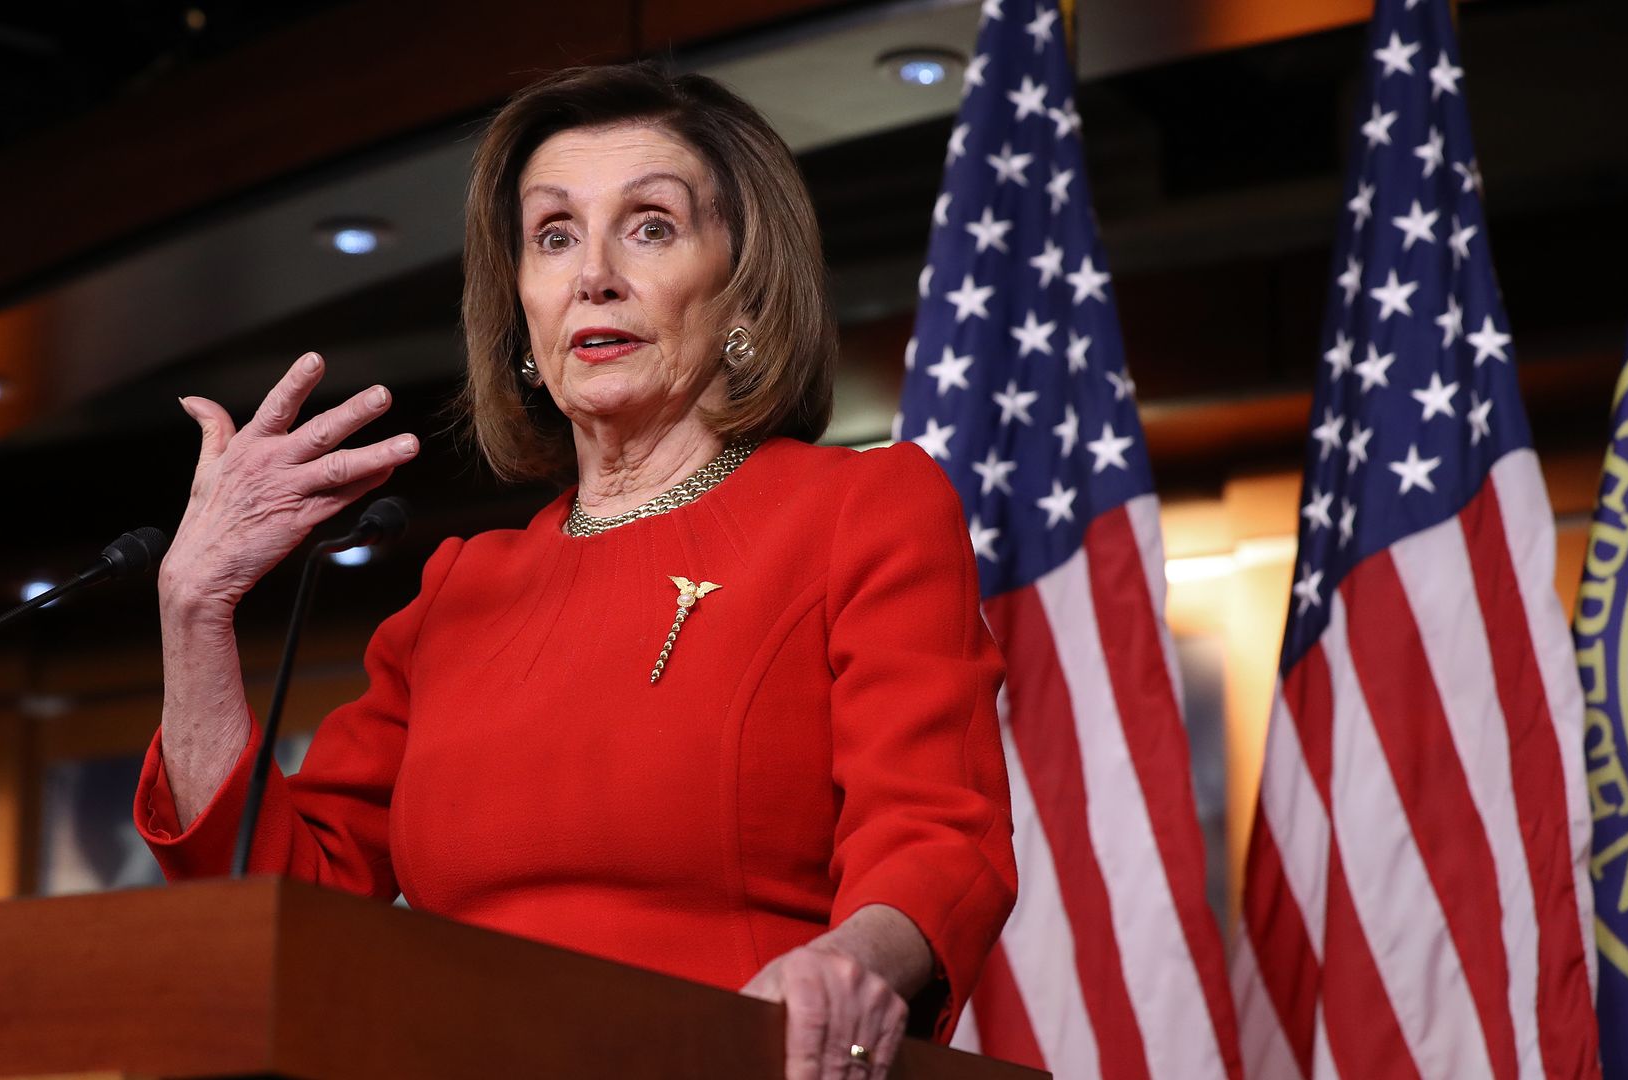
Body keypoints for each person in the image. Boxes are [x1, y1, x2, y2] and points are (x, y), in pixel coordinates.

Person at [137, 62, 1015, 1080]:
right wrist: (193, 607)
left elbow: (940, 833)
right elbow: (281, 897)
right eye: (554, 236)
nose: (593, 273)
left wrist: (849, 964)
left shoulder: (859, 510)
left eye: (650, 226)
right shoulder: (461, 590)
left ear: (746, 286)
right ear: (522, 310)